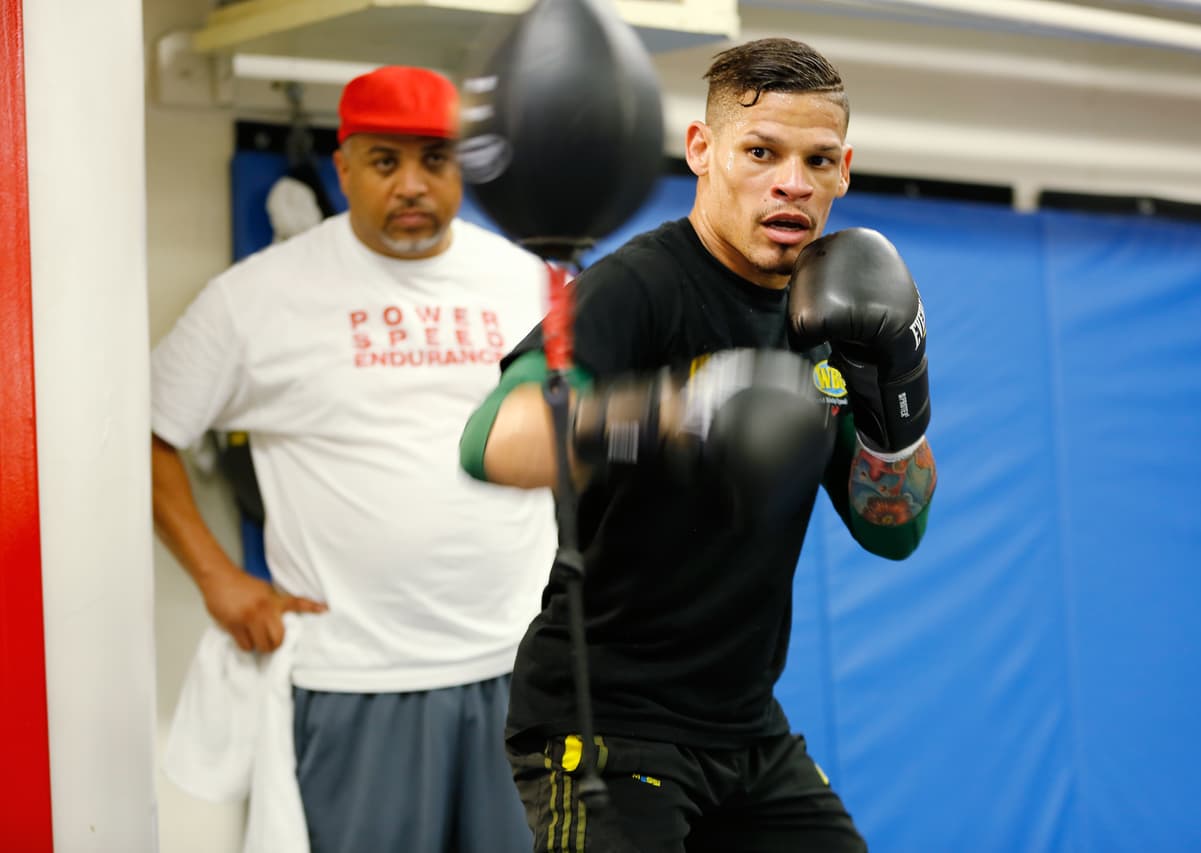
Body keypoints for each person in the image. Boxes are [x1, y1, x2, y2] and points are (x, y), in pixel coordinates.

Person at [458, 38, 939, 852]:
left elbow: (893, 530)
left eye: (819, 160)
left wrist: (901, 401)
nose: (793, 182)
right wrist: (683, 411)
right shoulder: (637, 286)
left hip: (747, 727)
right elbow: (490, 440)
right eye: (762, 152)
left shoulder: (835, 314)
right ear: (701, 150)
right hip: (604, 723)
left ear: (845, 169)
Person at [151, 65, 555, 853]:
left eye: (434, 160)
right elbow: (146, 431)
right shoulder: (257, 298)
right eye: (384, 162)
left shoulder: (524, 280)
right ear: (342, 167)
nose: (412, 184)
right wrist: (217, 578)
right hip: (357, 678)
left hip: (517, 668)